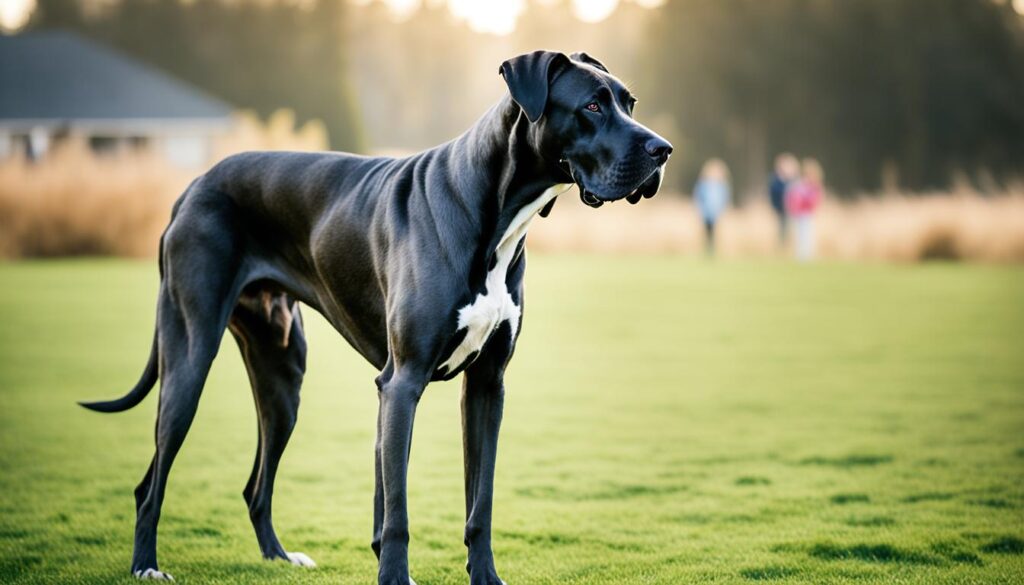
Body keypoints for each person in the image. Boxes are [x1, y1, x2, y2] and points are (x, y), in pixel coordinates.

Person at [785, 158, 824, 261]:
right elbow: (793, 198)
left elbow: (815, 199)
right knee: (800, 234)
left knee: (808, 234)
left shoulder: (814, 186)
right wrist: (794, 208)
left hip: (808, 213)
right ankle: (801, 255)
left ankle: (807, 254)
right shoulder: (800, 185)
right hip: (799, 213)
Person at [693, 158, 730, 256]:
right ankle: (707, 250)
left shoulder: (721, 186)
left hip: (716, 213)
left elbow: (724, 199)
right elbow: (698, 197)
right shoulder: (703, 185)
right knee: (706, 232)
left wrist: (722, 210)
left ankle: (713, 251)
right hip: (706, 213)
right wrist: (700, 210)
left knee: (715, 233)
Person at [769, 153, 799, 246]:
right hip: (780, 208)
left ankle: (789, 246)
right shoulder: (777, 180)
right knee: (782, 228)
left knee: (792, 229)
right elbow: (774, 193)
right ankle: (782, 246)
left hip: (792, 209)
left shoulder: (794, 180)